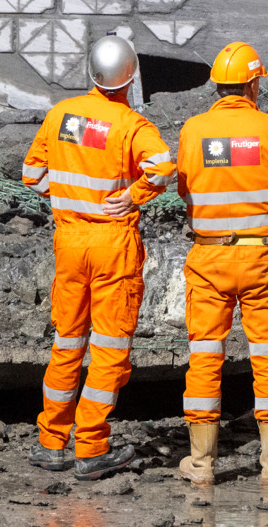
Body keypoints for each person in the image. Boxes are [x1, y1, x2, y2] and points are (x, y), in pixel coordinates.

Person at [20, 35, 176, 480]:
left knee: (67, 341)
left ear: (90, 72)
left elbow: (31, 174)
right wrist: (132, 196)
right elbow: (163, 168)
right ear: (131, 77)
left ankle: (51, 442)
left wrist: (70, 197)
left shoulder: (60, 115)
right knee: (109, 348)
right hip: (112, 244)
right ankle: (90, 447)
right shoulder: (133, 126)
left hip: (70, 242)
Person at [175, 41, 268, 487]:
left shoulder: (193, 130)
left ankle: (202, 465)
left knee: (205, 355)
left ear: (217, 85)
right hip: (262, 256)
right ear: (252, 83)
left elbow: (185, 192)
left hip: (209, 255)